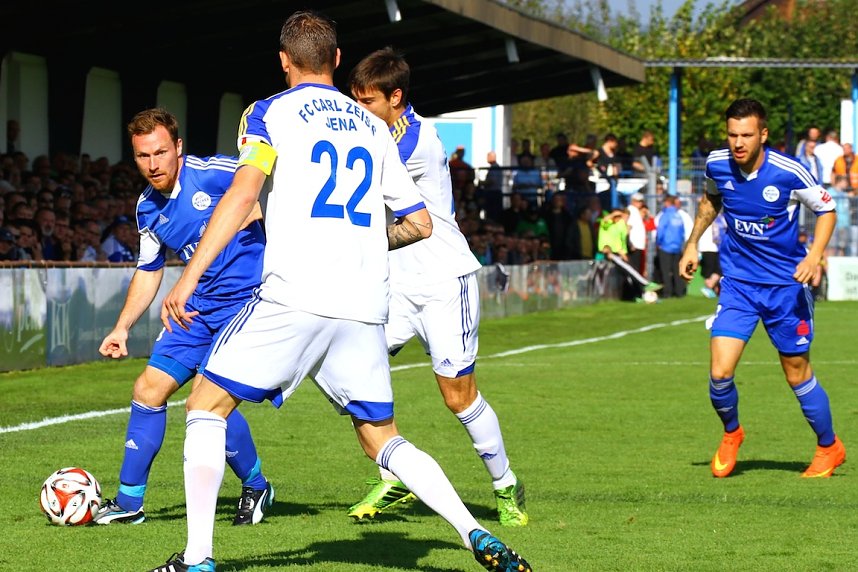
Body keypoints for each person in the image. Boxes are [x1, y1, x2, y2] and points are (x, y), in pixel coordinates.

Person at [150, 12, 531, 572]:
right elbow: (420, 222)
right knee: (381, 436)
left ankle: (199, 558)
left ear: (284, 61)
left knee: (205, 406)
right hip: (363, 306)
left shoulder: (268, 113)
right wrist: (369, 241)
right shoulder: (376, 127)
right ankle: (476, 535)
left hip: (293, 294)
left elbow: (241, 195)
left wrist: (186, 276)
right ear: (334, 58)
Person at [347, 46, 528, 527]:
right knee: (349, 373)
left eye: (366, 102)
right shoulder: (372, 131)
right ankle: (396, 474)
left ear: (396, 98)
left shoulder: (417, 138)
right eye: (354, 99)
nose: (357, 109)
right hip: (391, 285)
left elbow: (362, 178)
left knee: (457, 396)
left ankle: (505, 483)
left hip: (444, 280)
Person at [95, 108, 274, 527]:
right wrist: (122, 327)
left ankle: (256, 484)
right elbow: (149, 269)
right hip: (193, 309)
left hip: (245, 304)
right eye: (143, 156)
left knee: (208, 405)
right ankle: (128, 502)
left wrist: (262, 219)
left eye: (160, 152)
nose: (153, 164)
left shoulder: (214, 173)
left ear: (178, 147)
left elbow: (261, 188)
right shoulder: (147, 209)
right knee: (148, 388)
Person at [679, 98, 844, 479]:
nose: (738, 143)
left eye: (747, 135)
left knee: (796, 373)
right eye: (733, 134)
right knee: (720, 373)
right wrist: (692, 244)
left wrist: (815, 256)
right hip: (738, 286)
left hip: (786, 288)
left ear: (763, 135)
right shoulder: (717, 164)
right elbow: (710, 200)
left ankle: (828, 446)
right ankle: (733, 433)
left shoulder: (789, 171)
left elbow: (827, 210)